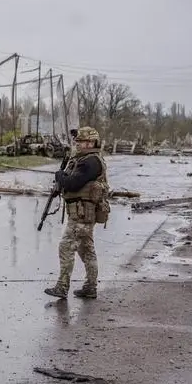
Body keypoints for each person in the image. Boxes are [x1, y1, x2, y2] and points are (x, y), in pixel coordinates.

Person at [44, 126, 110, 300]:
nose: (78, 145)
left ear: (91, 142)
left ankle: (62, 286)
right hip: (82, 212)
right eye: (77, 141)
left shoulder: (90, 162)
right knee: (87, 250)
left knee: (66, 247)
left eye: (81, 142)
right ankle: (90, 287)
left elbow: (73, 183)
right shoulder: (88, 159)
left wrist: (60, 176)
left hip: (82, 213)